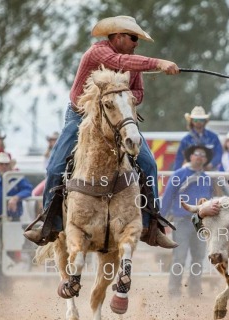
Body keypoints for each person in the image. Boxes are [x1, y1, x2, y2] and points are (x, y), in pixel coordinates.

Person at [23, 15, 179, 248]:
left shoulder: (132, 62)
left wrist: (122, 100)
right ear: (117, 37)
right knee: (55, 166)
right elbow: (121, 62)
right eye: (133, 37)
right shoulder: (98, 52)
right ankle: (49, 222)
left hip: (118, 118)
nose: (137, 43)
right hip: (81, 115)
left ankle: (151, 225)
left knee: (149, 164)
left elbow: (139, 93)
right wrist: (159, 63)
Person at [161, 145, 214, 297]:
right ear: (191, 156)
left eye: (203, 155)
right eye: (197, 154)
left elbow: (209, 199)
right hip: (181, 221)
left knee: (199, 257)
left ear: (205, 160)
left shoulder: (206, 178)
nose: (199, 157)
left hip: (201, 223)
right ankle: (174, 292)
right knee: (179, 256)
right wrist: (161, 221)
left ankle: (195, 291)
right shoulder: (179, 174)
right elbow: (167, 197)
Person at [0, 152, 33, 293]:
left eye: (5, 164)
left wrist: (15, 198)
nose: (3, 166)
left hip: (11, 222)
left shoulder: (15, 178)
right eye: (1, 164)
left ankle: (6, 285)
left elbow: (28, 189)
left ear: (9, 165)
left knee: (10, 253)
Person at [174, 107, 223, 171]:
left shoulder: (213, 137)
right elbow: (179, 159)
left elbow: (219, 154)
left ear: (205, 121)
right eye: (196, 120)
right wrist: (176, 176)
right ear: (191, 121)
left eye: (201, 120)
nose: (198, 122)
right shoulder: (185, 140)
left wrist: (211, 165)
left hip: (210, 172)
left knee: (220, 180)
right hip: (190, 171)